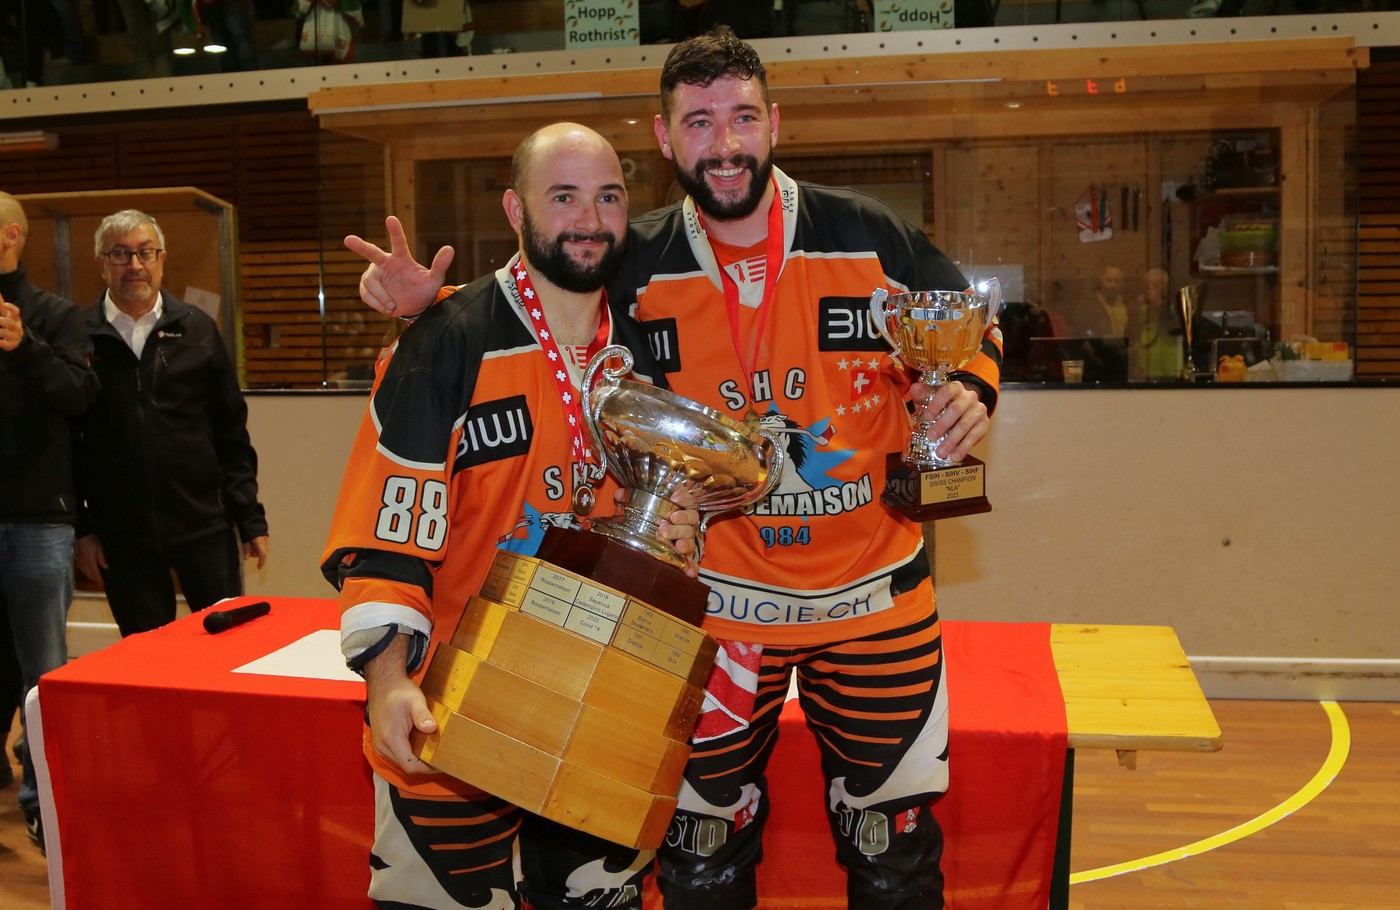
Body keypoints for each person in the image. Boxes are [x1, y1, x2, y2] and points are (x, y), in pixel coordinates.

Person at [354, 27, 1003, 910]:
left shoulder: (870, 231)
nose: (725, 143)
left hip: (875, 604)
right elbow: (538, 294)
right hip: (715, 616)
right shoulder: (633, 256)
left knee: (894, 852)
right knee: (701, 858)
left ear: (775, 123)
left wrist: (970, 389)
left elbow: (965, 323)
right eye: (699, 122)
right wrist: (425, 313)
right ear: (665, 138)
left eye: (743, 118)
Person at [321, 123, 701, 910]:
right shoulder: (445, 343)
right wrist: (386, 684)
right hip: (452, 713)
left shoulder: (645, 349)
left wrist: (683, 526)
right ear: (514, 209)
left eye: (608, 197)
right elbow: (387, 541)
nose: (589, 219)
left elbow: (674, 504)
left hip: (599, 711)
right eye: (563, 197)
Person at [73, 209, 269, 637]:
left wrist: (249, 518)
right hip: (121, 537)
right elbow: (66, 442)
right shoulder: (78, 336)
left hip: (205, 527)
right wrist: (81, 532)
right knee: (146, 657)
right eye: (120, 254)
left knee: (226, 647)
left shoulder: (197, 329)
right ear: (101, 263)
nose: (134, 265)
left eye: (145, 252)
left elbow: (231, 432)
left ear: (162, 259)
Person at [0, 191, 101, 850]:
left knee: (42, 669)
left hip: (38, 521)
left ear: (11, 236)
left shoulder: (56, 316)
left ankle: (44, 799)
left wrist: (24, 348)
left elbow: (81, 395)